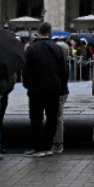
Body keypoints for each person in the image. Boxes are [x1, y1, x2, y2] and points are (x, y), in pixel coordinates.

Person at [23, 23, 68, 157]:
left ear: (38, 31)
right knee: (52, 117)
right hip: (54, 88)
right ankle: (48, 147)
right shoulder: (57, 48)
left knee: (36, 118)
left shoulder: (31, 48)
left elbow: (26, 71)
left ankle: (38, 148)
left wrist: (28, 85)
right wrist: (61, 86)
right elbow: (63, 70)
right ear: (50, 32)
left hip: (36, 89)